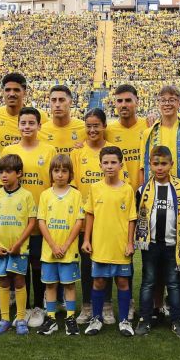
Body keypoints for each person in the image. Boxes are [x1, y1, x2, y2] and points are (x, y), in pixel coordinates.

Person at [1, 106, 56, 328]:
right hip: (16, 220)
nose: (27, 127)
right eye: (23, 123)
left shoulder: (49, 150)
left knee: (37, 263)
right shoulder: (8, 150)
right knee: (19, 265)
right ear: (18, 125)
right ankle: (21, 308)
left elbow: (55, 184)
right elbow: (3, 184)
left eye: (31, 123)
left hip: (41, 219)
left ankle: (38, 306)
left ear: (39, 126)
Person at [134, 145, 180, 337]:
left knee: (173, 283)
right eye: (155, 164)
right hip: (150, 244)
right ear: (150, 165)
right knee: (148, 282)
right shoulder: (143, 189)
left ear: (171, 164)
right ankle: (145, 319)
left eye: (164, 164)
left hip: (172, 244)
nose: (160, 168)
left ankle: (177, 319)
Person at [82, 146, 136, 337]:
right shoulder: (95, 188)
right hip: (101, 245)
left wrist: (130, 242)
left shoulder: (127, 189)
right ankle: (96, 319)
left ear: (121, 164)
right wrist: (86, 239)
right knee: (98, 282)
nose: (110, 166)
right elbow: (90, 214)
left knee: (122, 282)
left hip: (120, 246)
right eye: (106, 163)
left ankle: (124, 320)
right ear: (100, 165)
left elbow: (131, 218)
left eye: (114, 162)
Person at [71, 108, 118, 325]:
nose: (92, 130)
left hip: (107, 218)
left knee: (106, 261)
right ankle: (87, 305)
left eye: (96, 125)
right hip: (84, 219)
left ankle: (107, 304)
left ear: (104, 126)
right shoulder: (77, 152)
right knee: (87, 262)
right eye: (88, 126)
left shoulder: (111, 151)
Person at [0, 153, 37, 336]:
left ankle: (21, 319)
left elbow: (32, 223)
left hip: (19, 249)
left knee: (18, 280)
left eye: (8, 171)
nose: (4, 175)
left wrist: (18, 244)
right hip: (0, 248)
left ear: (19, 173)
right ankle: (5, 319)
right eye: (1, 171)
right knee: (3, 280)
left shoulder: (26, 196)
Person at [37, 154, 85, 336]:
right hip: (49, 251)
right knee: (50, 285)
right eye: (56, 171)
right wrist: (53, 245)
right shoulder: (45, 195)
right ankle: (50, 318)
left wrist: (64, 246)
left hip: (68, 250)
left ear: (70, 174)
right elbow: (41, 222)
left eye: (64, 171)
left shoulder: (76, 194)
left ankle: (70, 318)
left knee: (69, 285)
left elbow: (79, 222)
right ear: (51, 173)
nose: (60, 175)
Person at [0, 72, 46, 152]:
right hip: (6, 164)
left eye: (16, 90)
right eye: (7, 90)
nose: (11, 94)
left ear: (25, 92)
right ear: (2, 92)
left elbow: (48, 142)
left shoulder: (40, 116)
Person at [105, 84, 147, 192]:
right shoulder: (107, 131)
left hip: (145, 193)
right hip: (118, 195)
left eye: (128, 100)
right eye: (119, 101)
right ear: (115, 103)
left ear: (137, 102)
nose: (123, 105)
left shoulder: (148, 126)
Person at [40, 84, 86, 155]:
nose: (57, 104)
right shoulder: (40, 131)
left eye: (61, 100)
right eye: (53, 100)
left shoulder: (85, 128)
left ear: (70, 102)